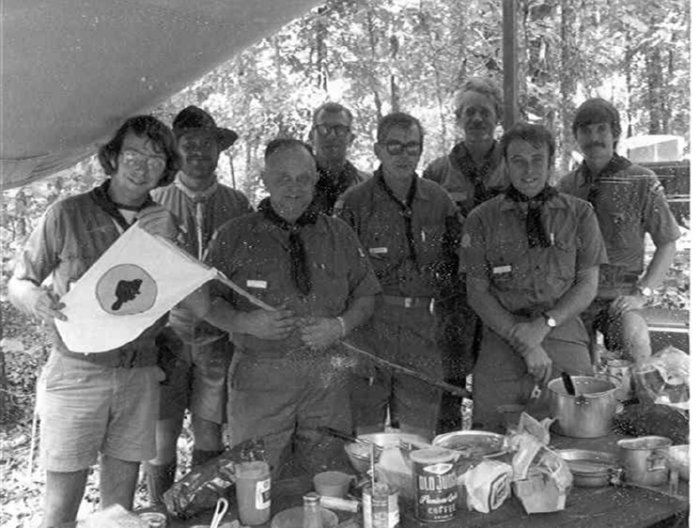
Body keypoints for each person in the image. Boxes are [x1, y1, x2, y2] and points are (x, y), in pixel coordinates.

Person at [8, 116, 181, 527]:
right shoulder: (67, 214)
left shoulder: (164, 221)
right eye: (134, 154)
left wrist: (171, 241)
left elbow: (185, 295)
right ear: (114, 156)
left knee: (117, 513)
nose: (143, 166)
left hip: (138, 373)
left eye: (155, 158)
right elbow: (19, 281)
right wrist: (35, 299)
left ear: (166, 167)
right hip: (77, 371)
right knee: (59, 511)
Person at [199, 138, 380, 477]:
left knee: (329, 476)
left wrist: (339, 326)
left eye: (303, 179)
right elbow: (203, 301)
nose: (294, 188)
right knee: (257, 477)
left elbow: (366, 296)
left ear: (315, 180)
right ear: (265, 180)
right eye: (283, 178)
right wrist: (245, 322)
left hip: (327, 377)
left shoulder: (339, 234)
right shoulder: (234, 235)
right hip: (260, 377)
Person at [461, 122, 607, 432]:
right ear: (505, 164)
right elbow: (477, 292)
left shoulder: (580, 214)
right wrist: (526, 343)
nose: (528, 170)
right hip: (503, 336)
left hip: (562, 333)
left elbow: (587, 285)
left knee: (577, 430)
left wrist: (544, 326)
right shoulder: (481, 219)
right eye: (518, 160)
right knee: (493, 436)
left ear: (551, 163)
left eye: (537, 160)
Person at [146, 106, 253, 504]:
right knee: (163, 432)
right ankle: (160, 513)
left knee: (209, 428)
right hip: (165, 335)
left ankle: (200, 512)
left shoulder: (237, 203)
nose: (197, 152)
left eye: (206, 143)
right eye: (187, 144)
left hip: (218, 334)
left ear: (218, 150)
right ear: (174, 150)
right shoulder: (153, 201)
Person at [338, 112, 461, 440]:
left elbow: (458, 264)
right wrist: (351, 340)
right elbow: (338, 276)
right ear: (378, 149)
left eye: (412, 146)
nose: (403, 155)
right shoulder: (355, 202)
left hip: (421, 330)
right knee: (367, 440)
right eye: (394, 146)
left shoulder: (438, 200)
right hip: (369, 328)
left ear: (421, 150)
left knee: (417, 440)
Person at [558, 98, 681, 364]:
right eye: (586, 130)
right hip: (575, 295)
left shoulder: (641, 180)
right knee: (575, 367)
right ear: (576, 137)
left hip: (619, 295)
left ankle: (639, 391)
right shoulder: (566, 188)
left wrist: (642, 293)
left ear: (615, 133)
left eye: (601, 129)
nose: (594, 138)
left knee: (635, 340)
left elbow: (668, 242)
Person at [423, 77, 508, 433]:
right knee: (449, 381)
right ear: (458, 117)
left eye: (484, 112)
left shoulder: (513, 165)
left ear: (497, 116)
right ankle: (446, 447)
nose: (477, 119)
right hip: (454, 295)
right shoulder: (438, 171)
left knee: (497, 378)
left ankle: (494, 446)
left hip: (502, 292)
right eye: (469, 112)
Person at [309, 102, 369, 215]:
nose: (331, 136)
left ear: (351, 138)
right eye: (323, 129)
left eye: (340, 129)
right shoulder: (297, 183)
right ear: (311, 136)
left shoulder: (368, 186)